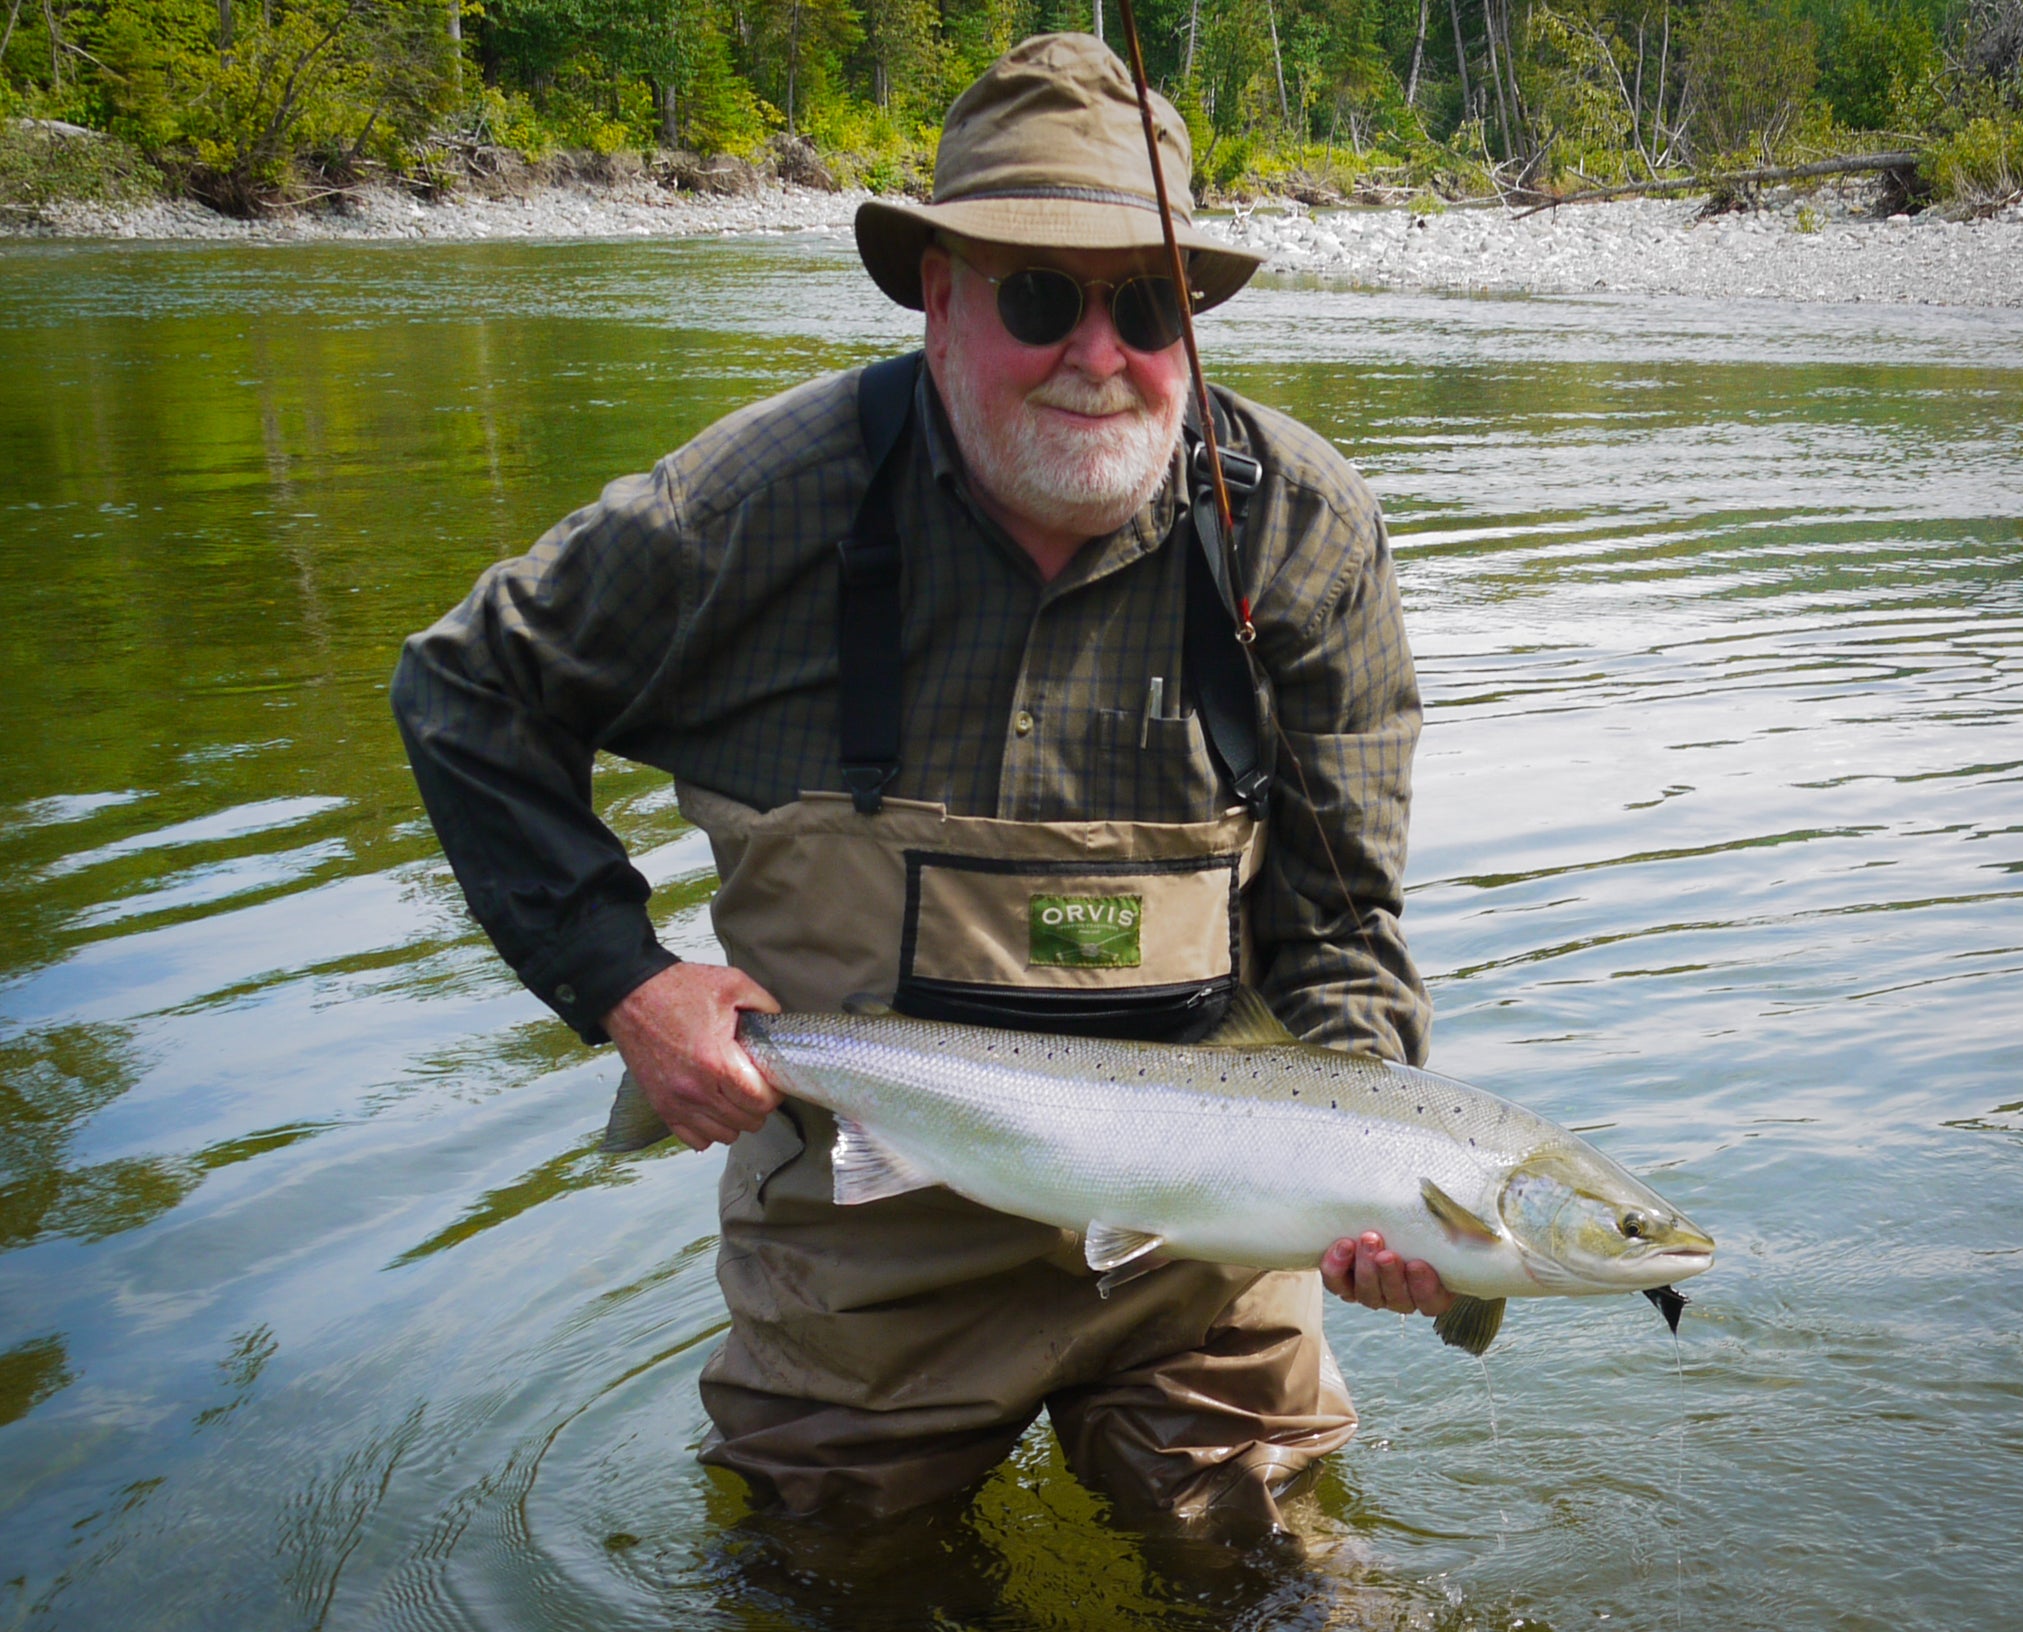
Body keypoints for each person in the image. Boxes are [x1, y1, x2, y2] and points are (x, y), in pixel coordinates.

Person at [391, 32, 1445, 1536]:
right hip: (861, 1252)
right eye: (1036, 296)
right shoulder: (755, 509)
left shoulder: (1298, 535)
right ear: (939, 298)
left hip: (1206, 1256)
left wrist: (1373, 1168)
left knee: (1266, 1578)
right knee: (822, 1580)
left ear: (1193, 325)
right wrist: (625, 982)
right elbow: (464, 688)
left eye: (1146, 305)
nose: (1099, 356)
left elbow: (1346, 925)